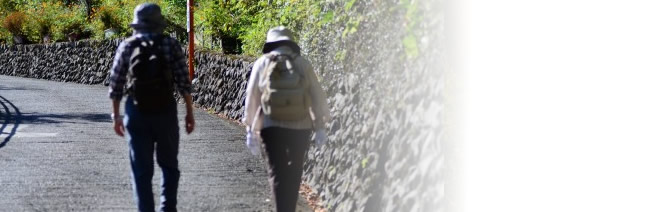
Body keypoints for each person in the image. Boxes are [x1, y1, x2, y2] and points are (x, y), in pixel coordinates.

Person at [108, 3, 194, 212]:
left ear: (137, 24)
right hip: (165, 110)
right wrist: (189, 113)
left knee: (141, 170)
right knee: (169, 165)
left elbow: (116, 83)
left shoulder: (127, 46)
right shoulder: (171, 45)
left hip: (136, 111)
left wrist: (116, 115)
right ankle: (167, 208)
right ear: (159, 23)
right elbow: (184, 82)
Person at [243, 26, 331, 212]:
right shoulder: (302, 64)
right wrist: (320, 126)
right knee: (294, 170)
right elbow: (317, 95)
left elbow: (252, 97)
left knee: (277, 172)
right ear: (290, 43)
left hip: (270, 126)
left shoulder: (262, 63)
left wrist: (250, 127)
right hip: (300, 126)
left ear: (270, 43)